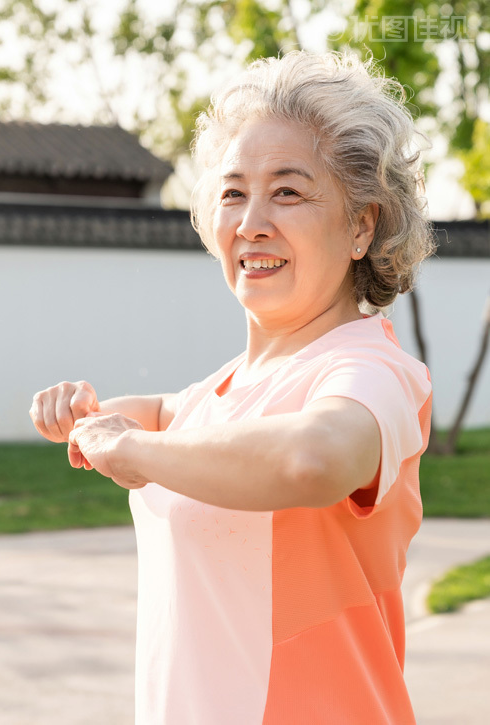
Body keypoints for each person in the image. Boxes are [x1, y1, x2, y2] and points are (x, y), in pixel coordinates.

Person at [30, 51, 434, 724]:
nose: (251, 220)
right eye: (231, 191)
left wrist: (135, 451)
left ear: (361, 225)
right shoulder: (220, 390)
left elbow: (312, 458)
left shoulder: (371, 370)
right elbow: (166, 413)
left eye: (287, 191)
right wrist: (87, 412)